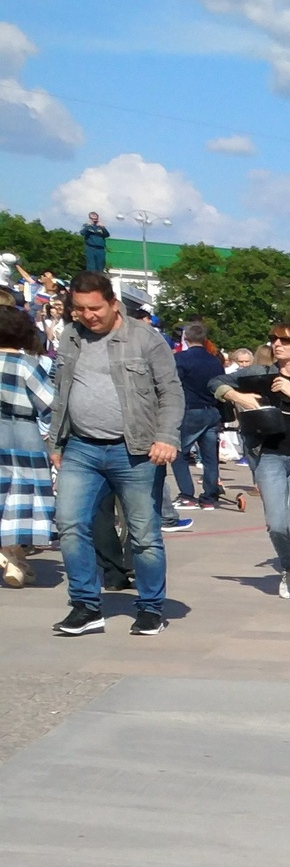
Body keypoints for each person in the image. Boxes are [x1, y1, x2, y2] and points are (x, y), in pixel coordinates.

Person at [47, 270, 181, 638]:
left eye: (95, 308)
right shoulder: (72, 336)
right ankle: (86, 606)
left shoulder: (146, 339)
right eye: (80, 309)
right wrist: (56, 443)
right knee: (71, 524)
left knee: (144, 534)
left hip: (135, 450)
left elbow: (171, 392)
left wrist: (166, 436)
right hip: (81, 447)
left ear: (113, 303)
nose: (88, 316)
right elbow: (61, 393)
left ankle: (151, 608)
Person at [214, 320, 290, 610]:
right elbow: (215, 382)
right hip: (268, 456)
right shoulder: (259, 374)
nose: (277, 345)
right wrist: (237, 396)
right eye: (273, 340)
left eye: (284, 340)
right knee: (277, 525)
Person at [0, 303, 54, 591]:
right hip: (22, 433)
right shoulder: (27, 364)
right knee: (21, 496)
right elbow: (50, 405)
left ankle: (13, 556)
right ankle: (11, 552)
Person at [171, 320, 227, 513]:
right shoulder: (215, 361)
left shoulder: (181, 359)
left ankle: (187, 494)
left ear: (185, 337)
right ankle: (209, 497)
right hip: (211, 410)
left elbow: (172, 384)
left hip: (191, 409)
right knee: (210, 456)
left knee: (178, 453)